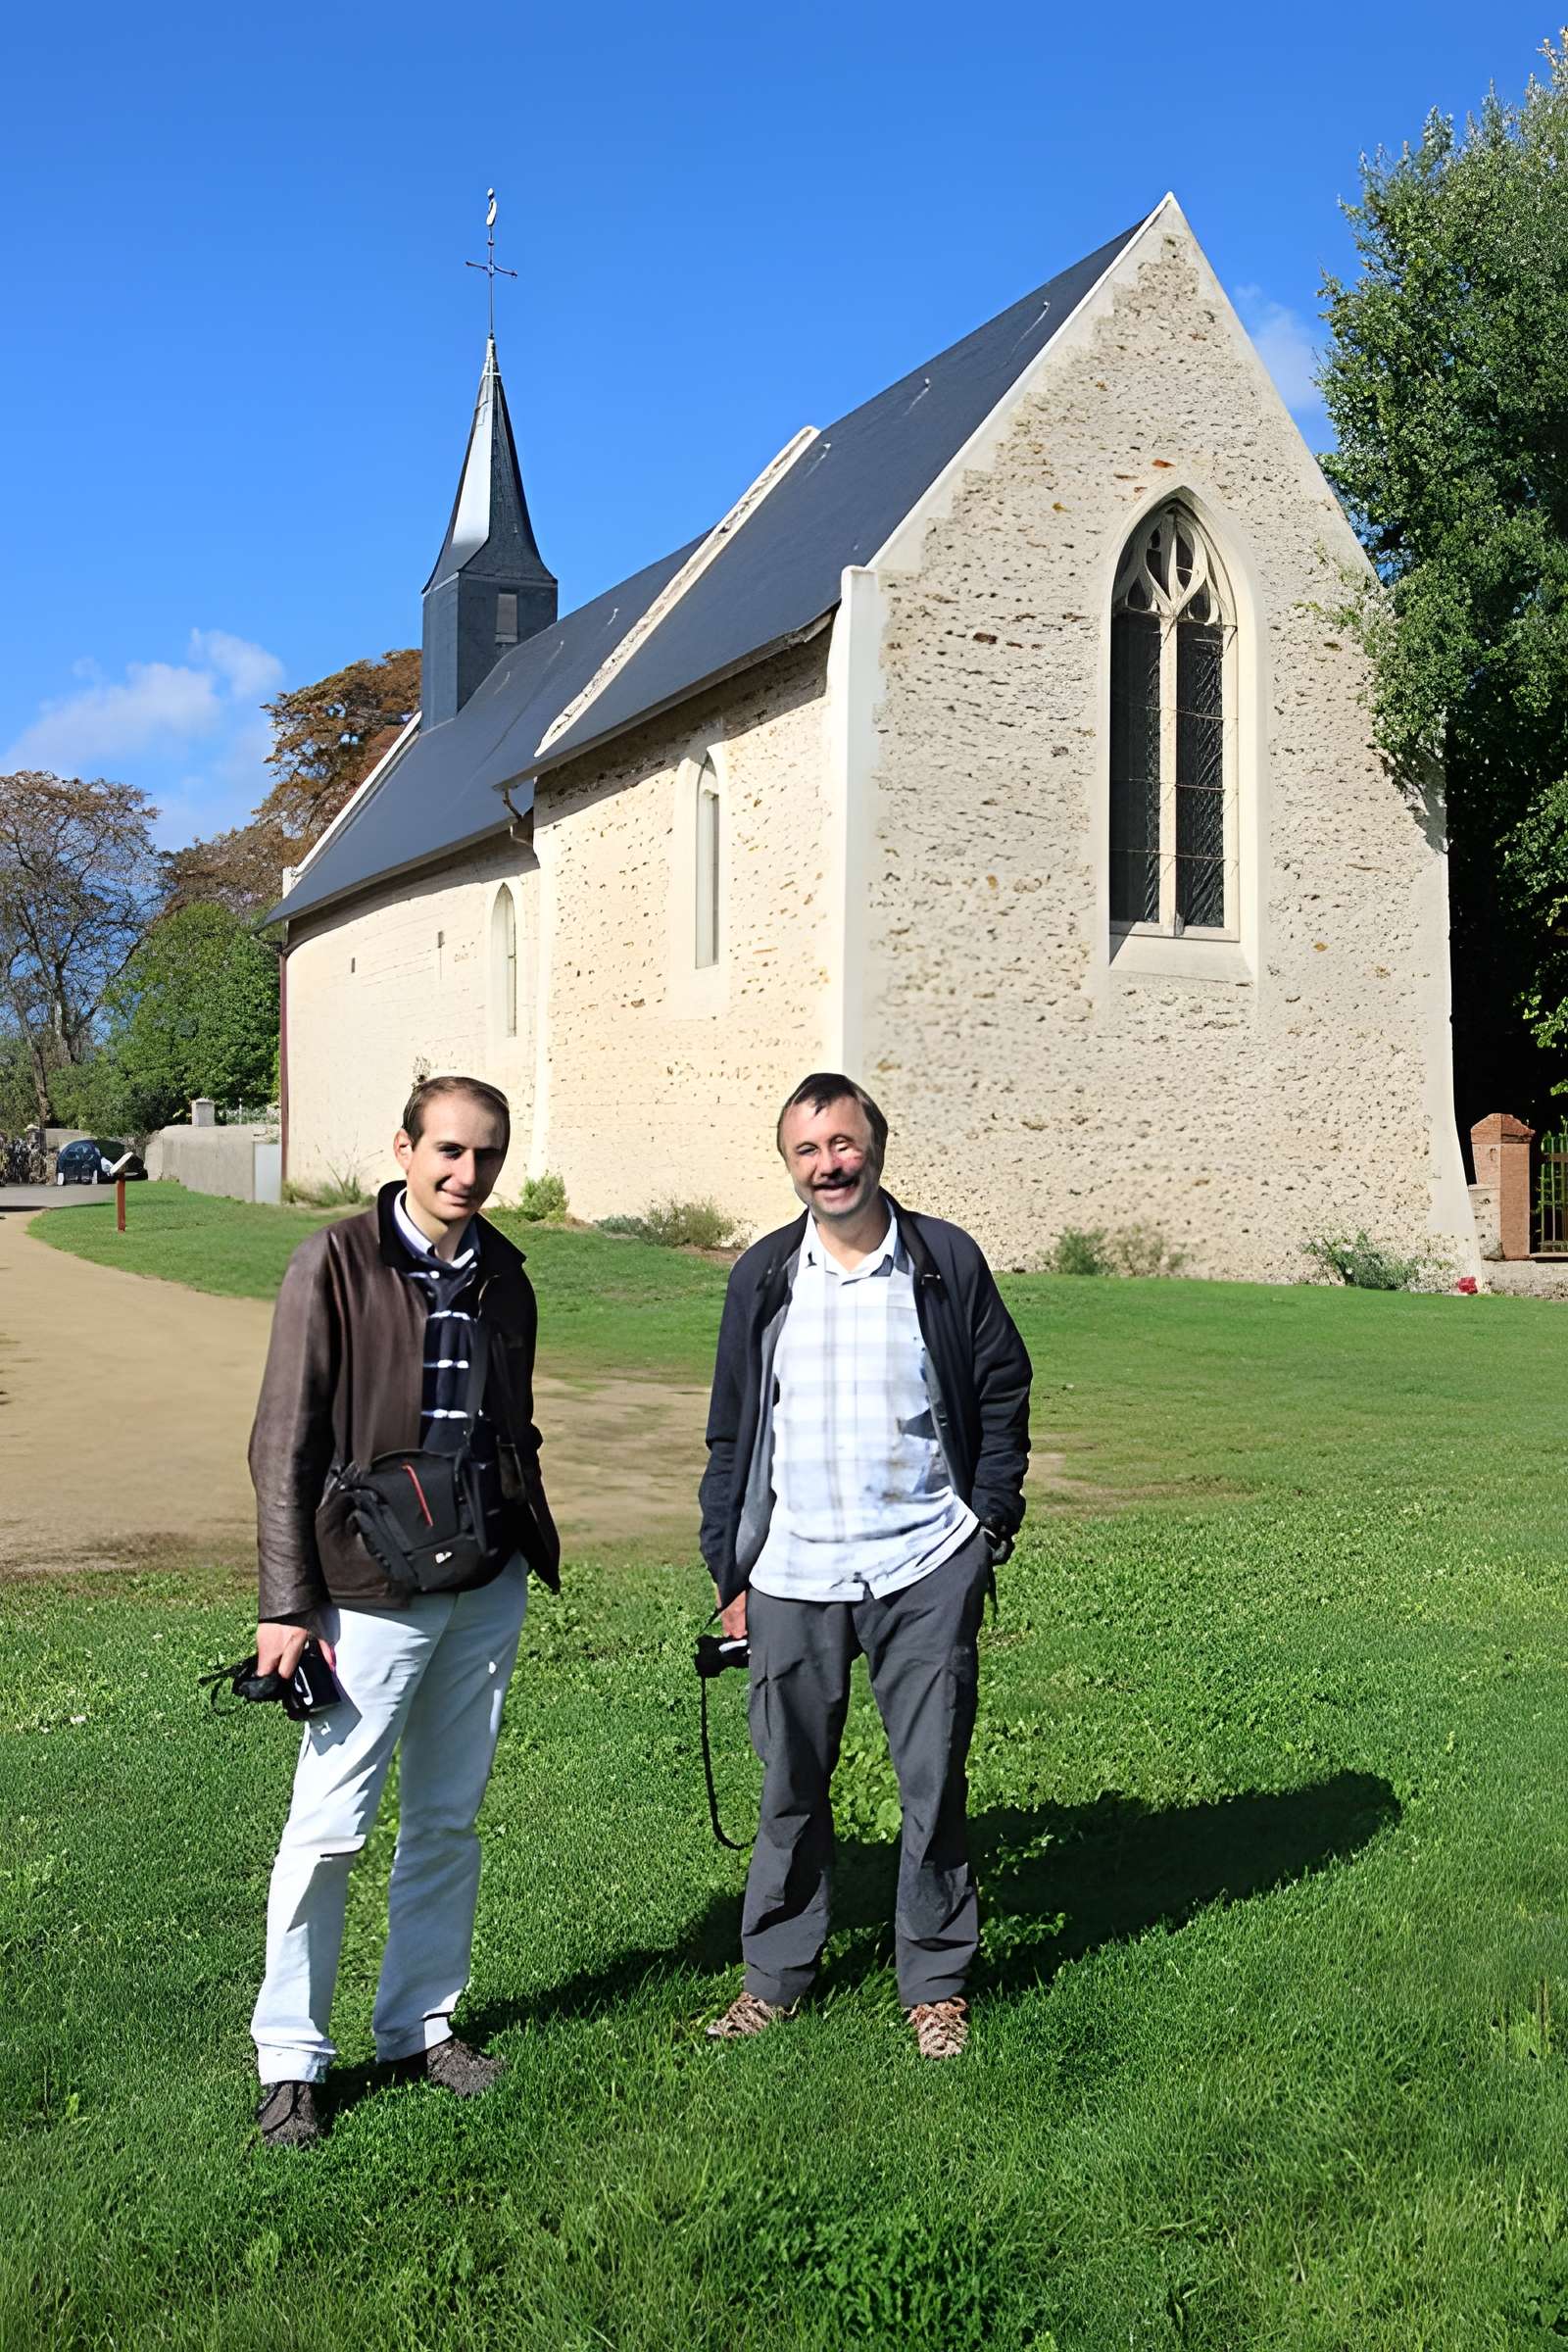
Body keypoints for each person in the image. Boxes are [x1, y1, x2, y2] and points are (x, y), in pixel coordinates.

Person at [246, 1074, 559, 2147]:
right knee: (327, 1830)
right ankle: (291, 2060)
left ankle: (420, 2027)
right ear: (405, 1147)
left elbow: (510, 1428)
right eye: (448, 1153)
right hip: (366, 1592)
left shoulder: (506, 1276)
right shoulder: (332, 1262)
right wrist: (287, 1603)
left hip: (482, 1585)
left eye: (485, 1157)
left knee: (446, 1819)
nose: (466, 1175)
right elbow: (282, 1440)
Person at [700, 1073, 1032, 2058]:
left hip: (925, 1563)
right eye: (806, 1151)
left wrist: (987, 1525)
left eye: (841, 1145)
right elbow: (729, 1435)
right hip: (793, 1572)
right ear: (788, 1164)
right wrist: (730, 1571)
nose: (827, 1166)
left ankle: (934, 1981)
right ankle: (775, 1977)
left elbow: (1001, 1389)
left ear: (874, 1147)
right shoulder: (763, 1277)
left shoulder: (942, 1263)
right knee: (789, 1785)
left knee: (931, 1781)